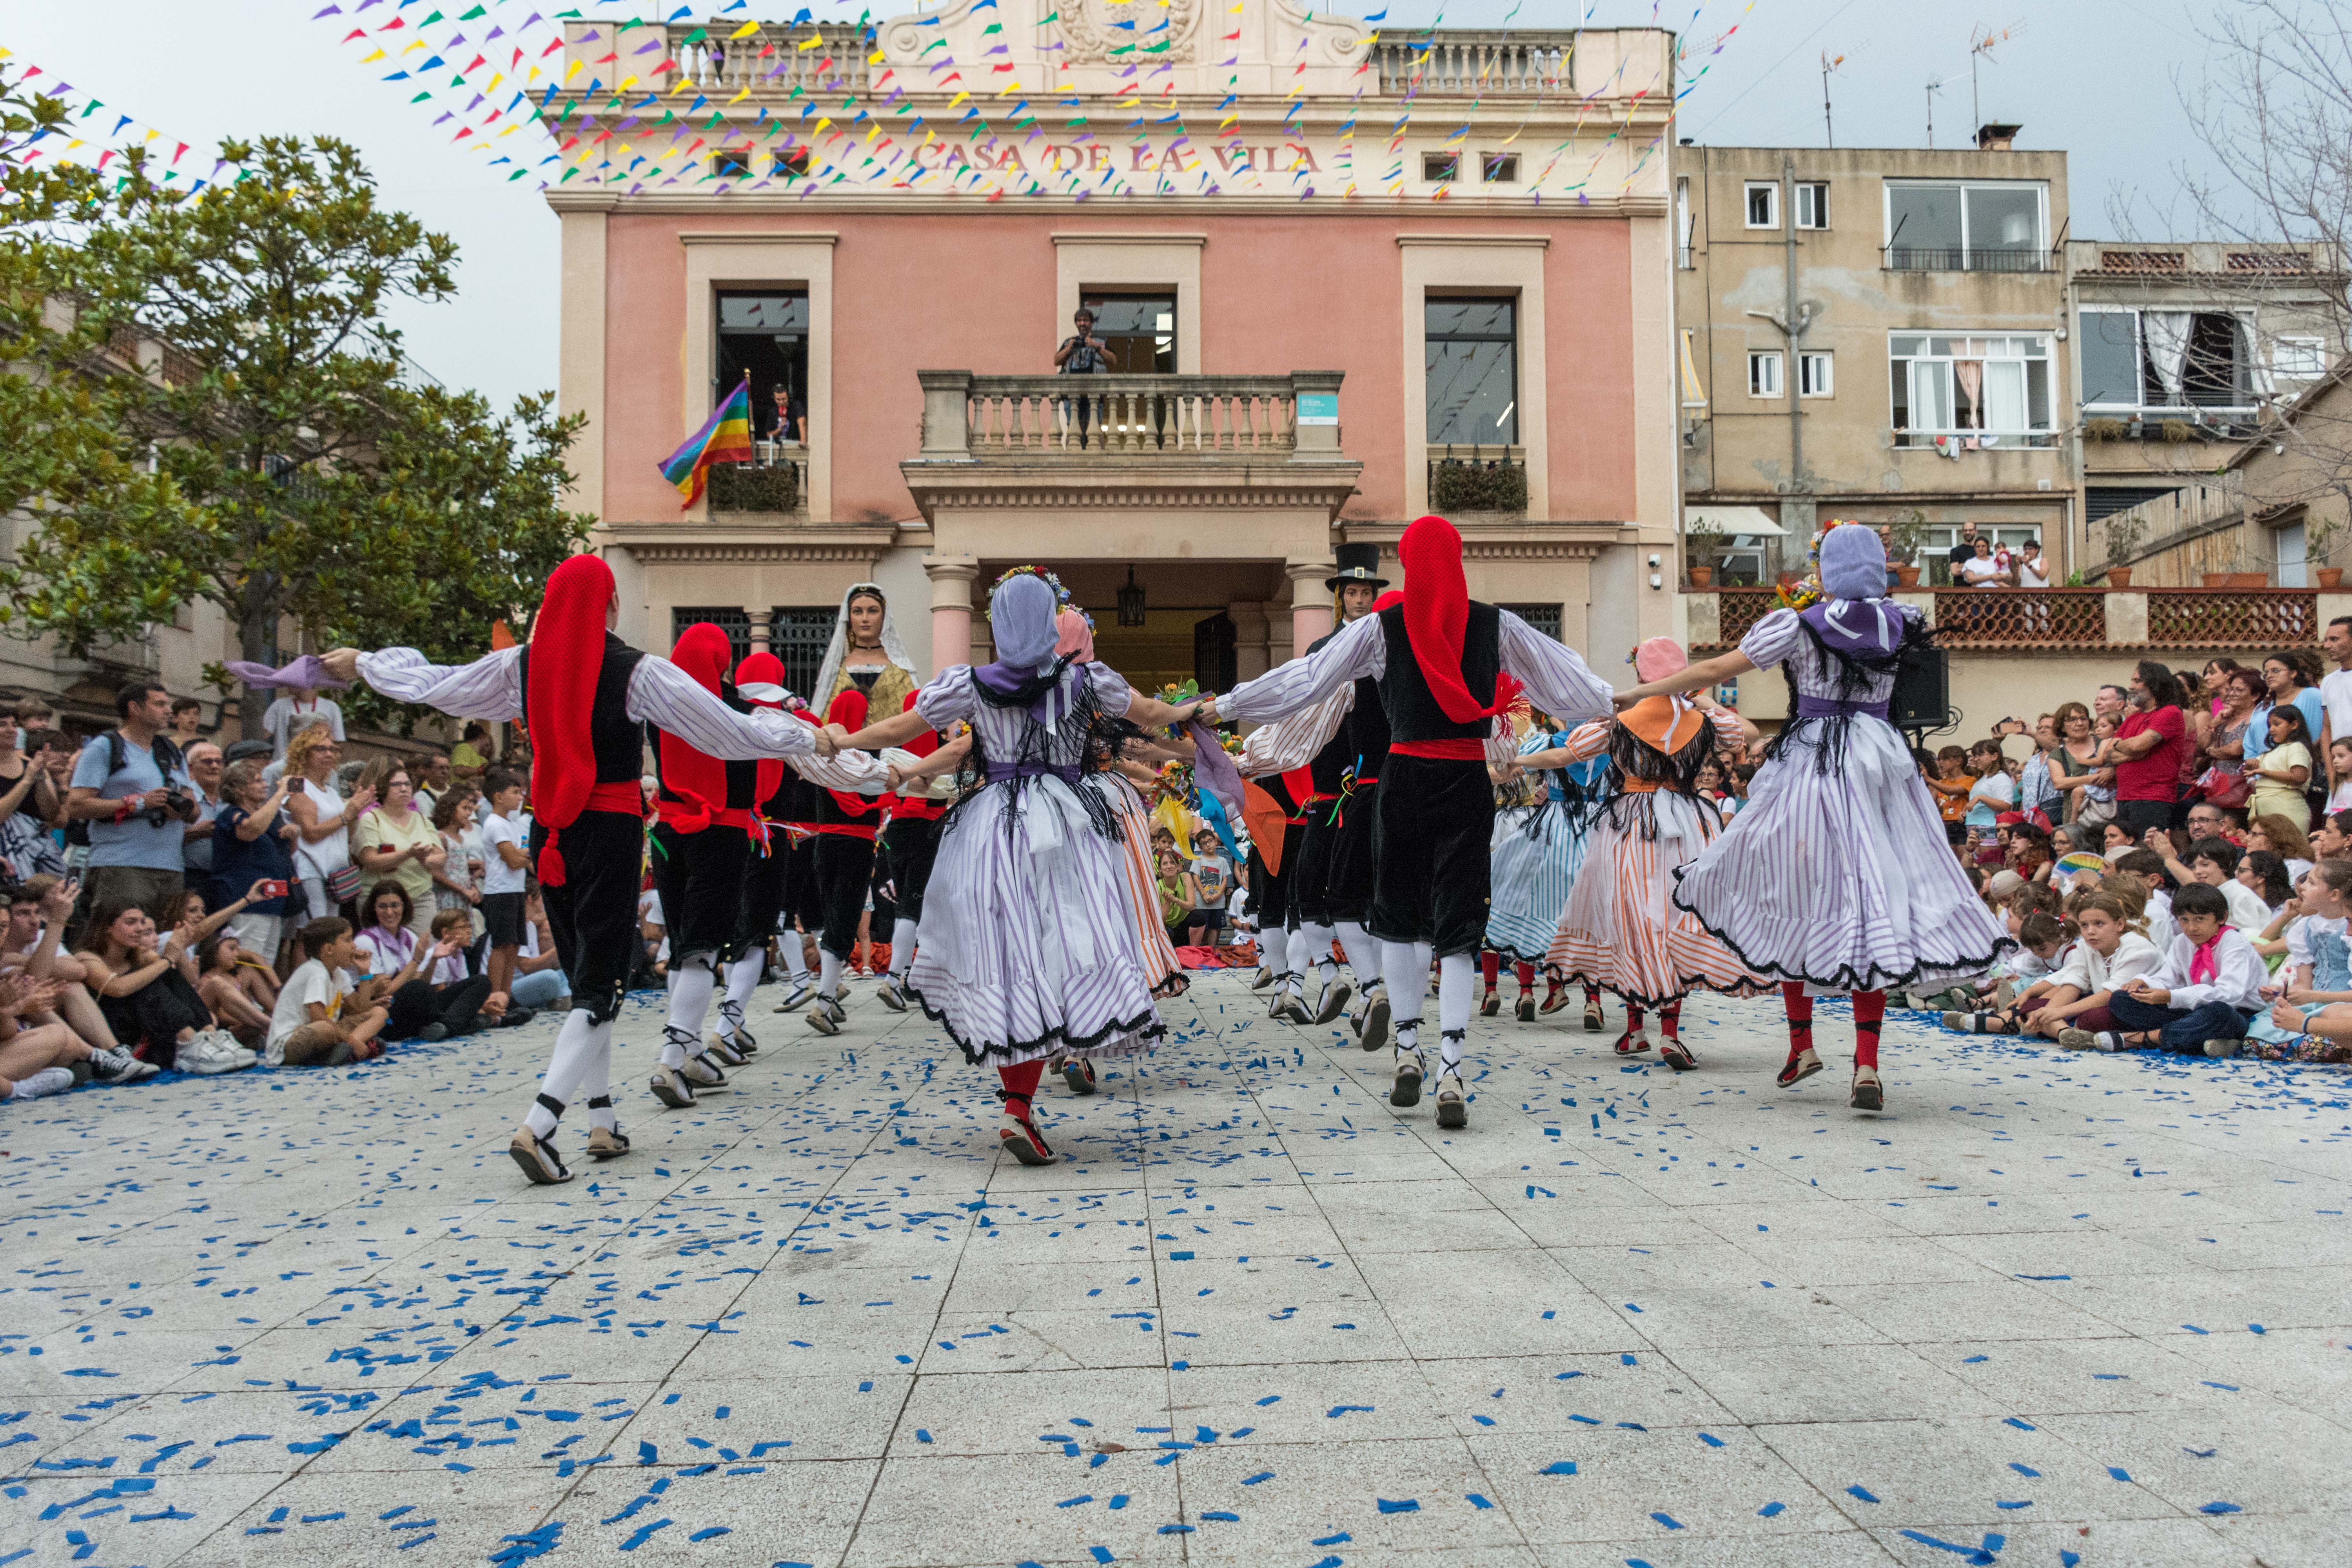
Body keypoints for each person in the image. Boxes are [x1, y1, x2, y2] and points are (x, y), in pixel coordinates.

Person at [323, 553, 846, 1184]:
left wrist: (365, 663)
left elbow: (437, 683)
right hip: (610, 827)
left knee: (584, 980)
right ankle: (540, 1125)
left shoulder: (520, 664)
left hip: (552, 830)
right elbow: (723, 729)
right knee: (599, 985)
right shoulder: (635, 671)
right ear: (613, 608)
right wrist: (802, 736)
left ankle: (602, 1117)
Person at [1202, 515, 1615, 1129]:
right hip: (1464, 784)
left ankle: (1407, 1047)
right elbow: (1568, 681)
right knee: (1457, 926)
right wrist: (1625, 703)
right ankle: (1450, 1065)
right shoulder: (1496, 624)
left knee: (1399, 920)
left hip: (1403, 780)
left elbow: (1309, 681)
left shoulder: (1379, 629)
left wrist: (1226, 705)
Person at [1612, 524, 2011, 1112]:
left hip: (1814, 762)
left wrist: (1633, 695)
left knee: (1794, 892)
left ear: (1826, 569)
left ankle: (1802, 1045)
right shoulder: (1901, 620)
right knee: (1872, 898)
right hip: (1879, 759)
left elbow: (1714, 672)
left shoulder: (1799, 623)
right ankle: (1867, 1064)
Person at [820, 568, 1208, 1163]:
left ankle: (1018, 1106)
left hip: (991, 831)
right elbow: (1153, 713)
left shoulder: (970, 683)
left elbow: (906, 726)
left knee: (1011, 962)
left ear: (999, 627)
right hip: (1069, 828)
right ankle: (1042, 1081)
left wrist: (844, 742)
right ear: (1049, 623)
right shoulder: (1085, 681)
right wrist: (1204, 712)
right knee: (1070, 946)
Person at [1544, 637, 1762, 1070]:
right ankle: (1670, 1032)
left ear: (1641, 674)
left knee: (1633, 919)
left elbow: (1569, 752)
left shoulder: (1619, 720)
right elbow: (1749, 734)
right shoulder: (1702, 720)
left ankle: (1635, 1030)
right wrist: (1695, 694)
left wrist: (1516, 763)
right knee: (1677, 915)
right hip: (1688, 820)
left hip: (1630, 822)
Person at [1231, 544, 1392, 1027]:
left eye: (1367, 592)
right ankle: (1336, 984)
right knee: (1316, 890)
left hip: (1376, 777)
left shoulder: (1391, 648)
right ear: (1341, 598)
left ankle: (1360, 986)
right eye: (1354, 592)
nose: (1361, 600)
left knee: (1365, 893)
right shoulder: (1321, 652)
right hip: (1331, 782)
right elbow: (1310, 720)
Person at [64, 682, 200, 939]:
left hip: (171, 866)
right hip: (122, 865)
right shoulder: (105, 747)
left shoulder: (169, 750)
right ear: (135, 708)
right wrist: (139, 803)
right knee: (119, 943)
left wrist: (180, 810)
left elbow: (193, 811)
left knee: (163, 945)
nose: (169, 711)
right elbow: (77, 805)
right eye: (160, 704)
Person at [2059, 881, 2261, 1054]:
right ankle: (2196, 1039)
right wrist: (2144, 983)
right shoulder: (2183, 942)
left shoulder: (2234, 942)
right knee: (2122, 999)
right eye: (2184, 920)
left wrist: (2172, 997)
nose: (2192, 928)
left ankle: (2140, 1039)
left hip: (2237, 1012)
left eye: (2200, 919)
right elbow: (2169, 975)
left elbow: (2230, 994)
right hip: (2190, 1010)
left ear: (2222, 917)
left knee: (2218, 1013)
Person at [75, 895, 253, 1073]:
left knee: (165, 973)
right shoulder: (87, 958)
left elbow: (197, 933)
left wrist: (246, 900)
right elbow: (118, 988)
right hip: (118, 1041)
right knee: (147, 977)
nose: (140, 929)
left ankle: (209, 1036)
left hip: (147, 1031)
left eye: (142, 922)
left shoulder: (138, 955)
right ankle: (188, 1042)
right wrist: (168, 959)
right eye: (131, 923)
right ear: (107, 927)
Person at [2227, 860, 2352, 1061]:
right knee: (2261, 1028)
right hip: (2314, 1001)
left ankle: (2320, 1047)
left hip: (2343, 1002)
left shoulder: (2346, 929)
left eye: (2312, 883)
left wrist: (2310, 997)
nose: (2302, 887)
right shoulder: (2306, 927)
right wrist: (2284, 992)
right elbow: (2305, 984)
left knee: (2329, 1023)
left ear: (2335, 895)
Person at [266, 917, 389, 1067]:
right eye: (348, 940)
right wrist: (353, 1041)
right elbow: (318, 1018)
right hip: (288, 1044)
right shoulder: (315, 972)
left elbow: (360, 1009)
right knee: (325, 1028)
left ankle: (348, 1050)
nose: (354, 945)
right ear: (329, 950)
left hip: (324, 1034)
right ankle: (349, 1048)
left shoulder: (337, 972)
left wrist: (364, 972)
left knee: (379, 1012)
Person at [211, 759, 298, 969]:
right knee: (245, 962)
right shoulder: (231, 814)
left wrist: (294, 835)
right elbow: (250, 830)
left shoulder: (267, 818)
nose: (265, 785)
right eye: (257, 781)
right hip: (245, 899)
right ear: (240, 790)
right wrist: (280, 794)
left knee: (265, 966)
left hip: (273, 900)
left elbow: (286, 854)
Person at [350, 758, 445, 941]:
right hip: (381, 900)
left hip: (420, 897)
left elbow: (440, 856)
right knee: (384, 952)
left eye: (407, 784)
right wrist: (409, 853)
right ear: (384, 789)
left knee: (425, 951)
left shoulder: (422, 819)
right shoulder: (371, 819)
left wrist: (427, 860)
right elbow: (370, 861)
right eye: (397, 785)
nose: (404, 789)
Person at [283, 727, 368, 922]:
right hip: (310, 870)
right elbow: (310, 834)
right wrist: (346, 815)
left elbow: (346, 831)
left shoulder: (330, 789)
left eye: (332, 749)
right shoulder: (296, 784)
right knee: (312, 932)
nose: (329, 754)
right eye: (320, 749)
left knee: (329, 932)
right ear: (303, 754)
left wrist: (355, 811)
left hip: (335, 873)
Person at [2109, 661, 2190, 838]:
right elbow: (2111, 755)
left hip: (2152, 799)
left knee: (2147, 857)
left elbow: (2139, 745)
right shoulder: (2134, 716)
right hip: (2125, 797)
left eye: (2137, 681)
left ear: (2155, 683)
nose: (2131, 686)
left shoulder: (2170, 712)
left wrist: (2122, 745)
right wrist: (2129, 750)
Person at [478, 770, 532, 1006]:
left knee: (514, 945)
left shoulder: (511, 824)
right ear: (499, 797)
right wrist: (525, 854)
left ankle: (505, 998)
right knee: (501, 946)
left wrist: (523, 854)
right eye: (514, 793)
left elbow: (522, 856)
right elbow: (514, 860)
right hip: (499, 891)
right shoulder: (495, 824)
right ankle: (493, 998)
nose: (520, 797)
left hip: (515, 889)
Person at [0, 707, 64, 882]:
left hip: (38, 856)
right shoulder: (30, 772)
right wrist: (27, 781)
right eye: (2, 725)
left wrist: (41, 780)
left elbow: (52, 815)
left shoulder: (31, 765)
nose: (11, 730)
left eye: (13, 725)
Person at [194, 933, 277, 1049]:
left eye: (238, 950)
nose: (237, 954)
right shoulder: (206, 981)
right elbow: (223, 1017)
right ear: (213, 950)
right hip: (227, 1030)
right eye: (232, 949)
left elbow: (270, 1004)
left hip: (253, 1023)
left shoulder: (243, 974)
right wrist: (254, 1022)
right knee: (255, 1027)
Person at [2246, 705, 2315, 833]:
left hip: (2287, 811)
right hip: (2266, 812)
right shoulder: (2268, 753)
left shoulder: (2296, 748)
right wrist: (2250, 770)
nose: (2272, 730)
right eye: (2270, 726)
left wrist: (2265, 772)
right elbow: (2262, 785)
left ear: (2294, 725)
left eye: (2277, 724)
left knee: (2289, 851)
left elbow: (2299, 777)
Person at [1054, 306, 1112, 446]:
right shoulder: (1070, 342)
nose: (1082, 324)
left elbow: (1113, 360)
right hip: (1072, 393)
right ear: (1076, 324)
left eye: (1085, 320)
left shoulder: (1100, 341)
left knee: (1095, 428)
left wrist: (1097, 347)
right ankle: (1072, 459)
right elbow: (1057, 361)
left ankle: (1100, 460)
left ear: (1091, 323)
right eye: (1079, 321)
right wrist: (1069, 349)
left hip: (1095, 393)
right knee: (1073, 428)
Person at [508, 889, 572, 1013]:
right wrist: (558, 949)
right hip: (510, 988)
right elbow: (526, 967)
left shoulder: (530, 925)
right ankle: (560, 998)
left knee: (565, 971)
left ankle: (563, 998)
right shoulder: (515, 925)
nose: (544, 903)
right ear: (530, 899)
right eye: (541, 898)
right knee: (550, 976)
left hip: (528, 981)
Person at [430, 787, 486, 930]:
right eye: (465, 808)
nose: (469, 813)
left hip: (463, 896)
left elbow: (460, 867)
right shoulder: (441, 838)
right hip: (448, 897)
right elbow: (436, 873)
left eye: (471, 809)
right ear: (450, 809)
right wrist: (463, 889)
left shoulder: (461, 838)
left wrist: (472, 886)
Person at [260, 683, 346, 761]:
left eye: (292, 680)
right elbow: (263, 734)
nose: (287, 683)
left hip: (317, 767)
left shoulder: (331, 707)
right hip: (285, 766)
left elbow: (339, 742)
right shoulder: (279, 705)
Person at [413, 752, 457, 820]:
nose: (445, 772)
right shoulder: (421, 797)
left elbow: (472, 821)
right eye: (441, 768)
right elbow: (429, 824)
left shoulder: (456, 793)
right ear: (427, 771)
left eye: (448, 768)